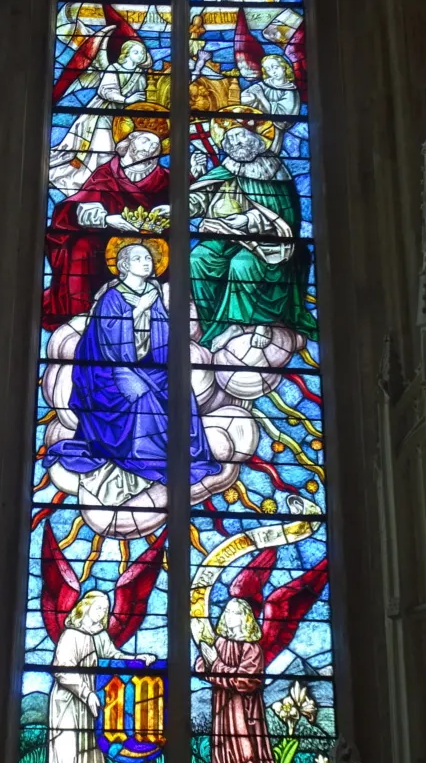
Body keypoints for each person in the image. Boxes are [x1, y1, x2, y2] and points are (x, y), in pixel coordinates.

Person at [44, 241, 219, 503]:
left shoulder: (152, 292)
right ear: (124, 266)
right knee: (142, 396)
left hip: (150, 363)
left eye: (149, 259)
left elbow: (162, 336)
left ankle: (180, 452)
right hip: (111, 369)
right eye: (139, 259)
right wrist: (139, 310)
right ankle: (145, 455)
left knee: (181, 391)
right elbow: (109, 341)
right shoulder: (112, 298)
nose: (147, 263)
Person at [21, 591, 154, 763]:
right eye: (98, 608)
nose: (103, 613)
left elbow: (114, 658)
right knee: (68, 750)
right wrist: (86, 692)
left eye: (106, 609)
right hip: (68, 703)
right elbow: (62, 671)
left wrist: (138, 659)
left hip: (88, 704)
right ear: (85, 608)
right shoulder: (70, 636)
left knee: (90, 750)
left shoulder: (99, 635)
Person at [188, 112, 317, 351]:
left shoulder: (272, 170)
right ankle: (218, 323)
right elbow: (201, 199)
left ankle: (259, 322)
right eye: (231, 140)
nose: (236, 144)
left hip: (269, 239)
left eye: (241, 137)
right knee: (197, 259)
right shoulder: (225, 168)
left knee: (242, 264)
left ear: (256, 140)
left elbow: (283, 214)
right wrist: (180, 206)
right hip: (225, 234)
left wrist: (247, 221)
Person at [194, 597, 318, 763]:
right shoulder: (220, 642)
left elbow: (246, 681)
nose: (230, 617)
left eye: (236, 613)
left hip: (245, 713)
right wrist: (212, 663)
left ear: (246, 618)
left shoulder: (252, 648)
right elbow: (201, 666)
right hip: (223, 711)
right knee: (224, 752)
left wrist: (216, 666)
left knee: (247, 752)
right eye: (227, 612)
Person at [43, 126, 169, 331]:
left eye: (156, 145)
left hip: (154, 240)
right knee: (82, 248)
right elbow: (76, 208)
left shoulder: (164, 178)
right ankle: (79, 317)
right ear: (129, 141)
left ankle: (159, 318)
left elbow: (189, 199)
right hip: (104, 238)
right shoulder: (106, 174)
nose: (151, 147)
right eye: (146, 141)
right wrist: (108, 220)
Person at [50, 39, 151, 194]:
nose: (140, 55)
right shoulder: (114, 69)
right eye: (136, 52)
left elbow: (142, 97)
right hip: (104, 115)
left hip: (126, 121)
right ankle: (88, 184)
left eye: (142, 53)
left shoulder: (140, 76)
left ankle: (106, 185)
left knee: (118, 152)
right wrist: (126, 100)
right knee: (103, 150)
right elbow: (104, 91)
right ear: (126, 54)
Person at [240, 54, 301, 153]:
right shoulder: (264, 84)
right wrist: (251, 98)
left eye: (275, 67)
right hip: (254, 126)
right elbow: (242, 98)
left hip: (273, 131)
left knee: (267, 157)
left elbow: (281, 117)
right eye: (268, 69)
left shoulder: (290, 91)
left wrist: (261, 97)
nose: (273, 72)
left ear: (284, 67)